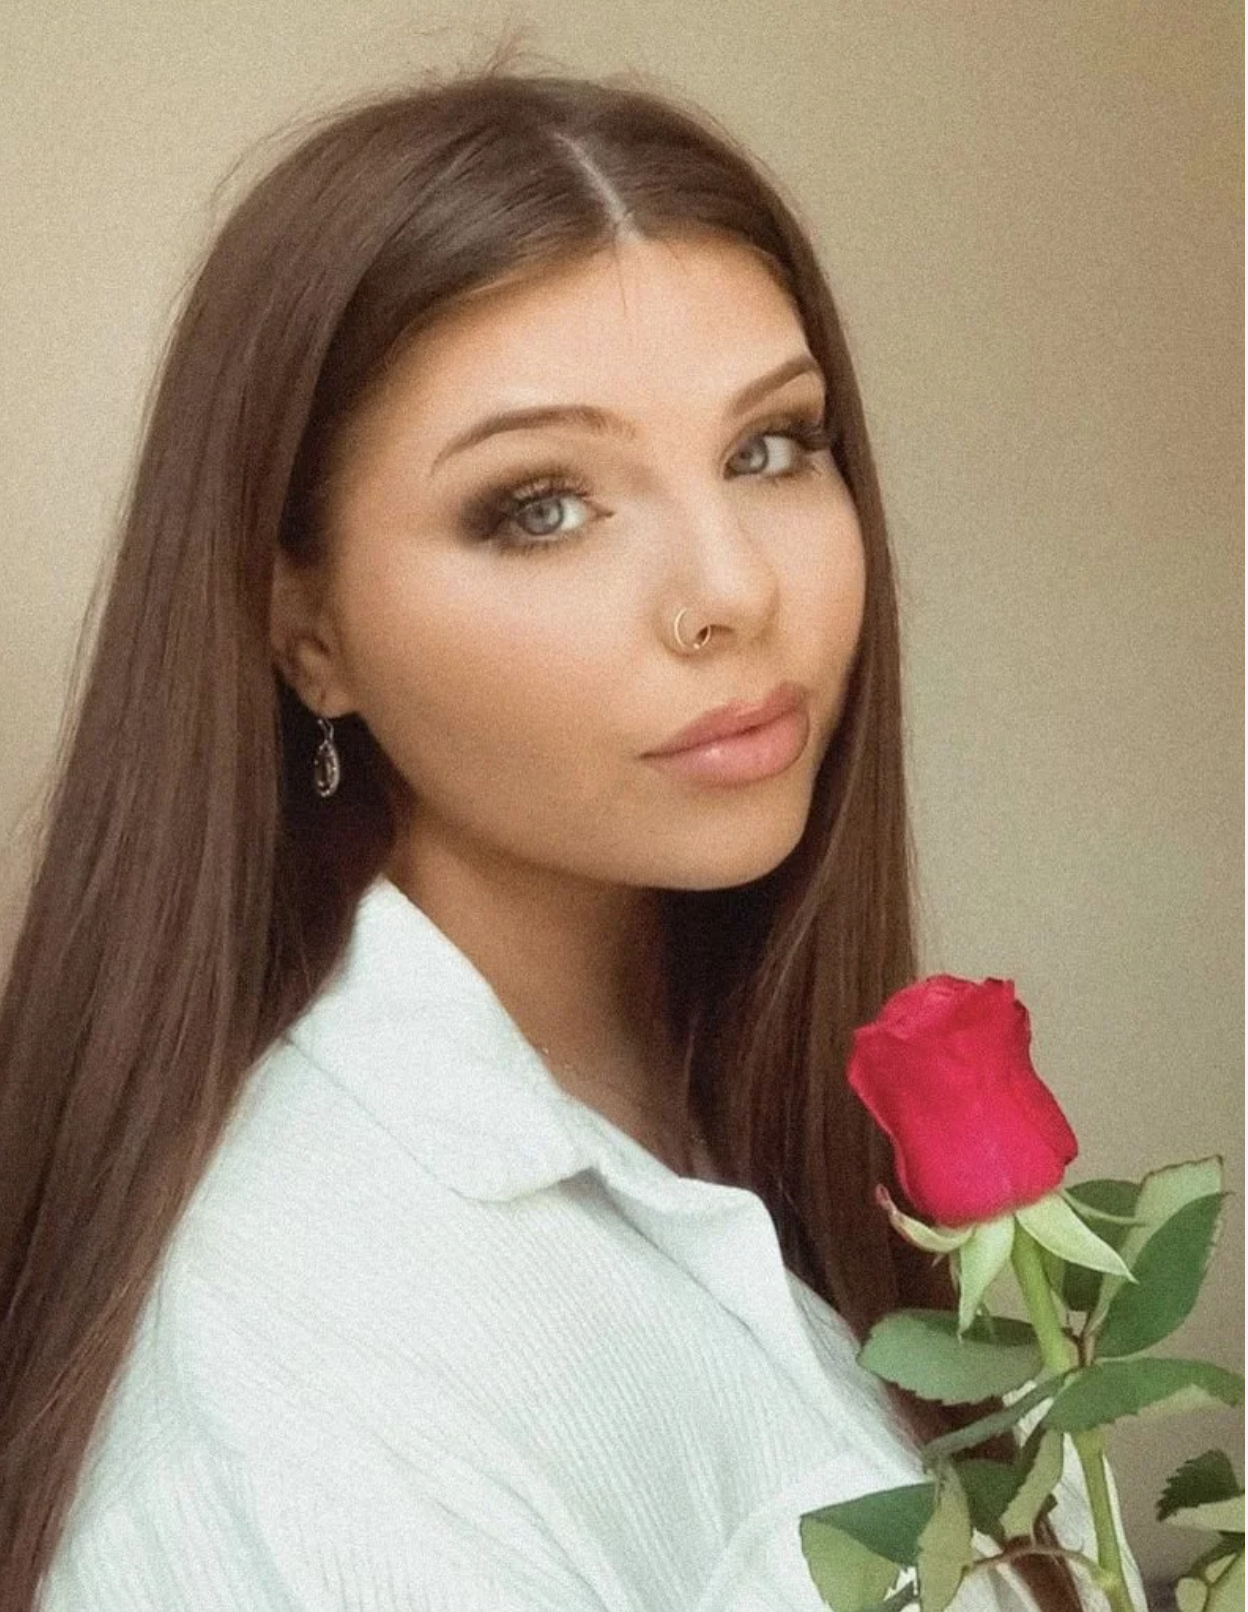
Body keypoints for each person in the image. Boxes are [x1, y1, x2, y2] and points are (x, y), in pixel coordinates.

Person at [0, 58, 1122, 1612]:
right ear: (304, 630)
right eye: (540, 505)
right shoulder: (307, 1422)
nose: (731, 587)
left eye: (770, 448)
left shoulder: (732, 1098)